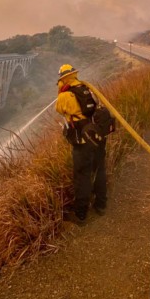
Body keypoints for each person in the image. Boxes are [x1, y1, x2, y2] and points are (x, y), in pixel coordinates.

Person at [55, 64, 107, 225]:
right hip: (97, 136)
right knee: (99, 170)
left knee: (82, 175)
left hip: (82, 141)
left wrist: (61, 90)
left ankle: (81, 214)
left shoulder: (65, 95)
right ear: (74, 75)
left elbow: (60, 110)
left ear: (63, 79)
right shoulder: (87, 88)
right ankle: (101, 205)